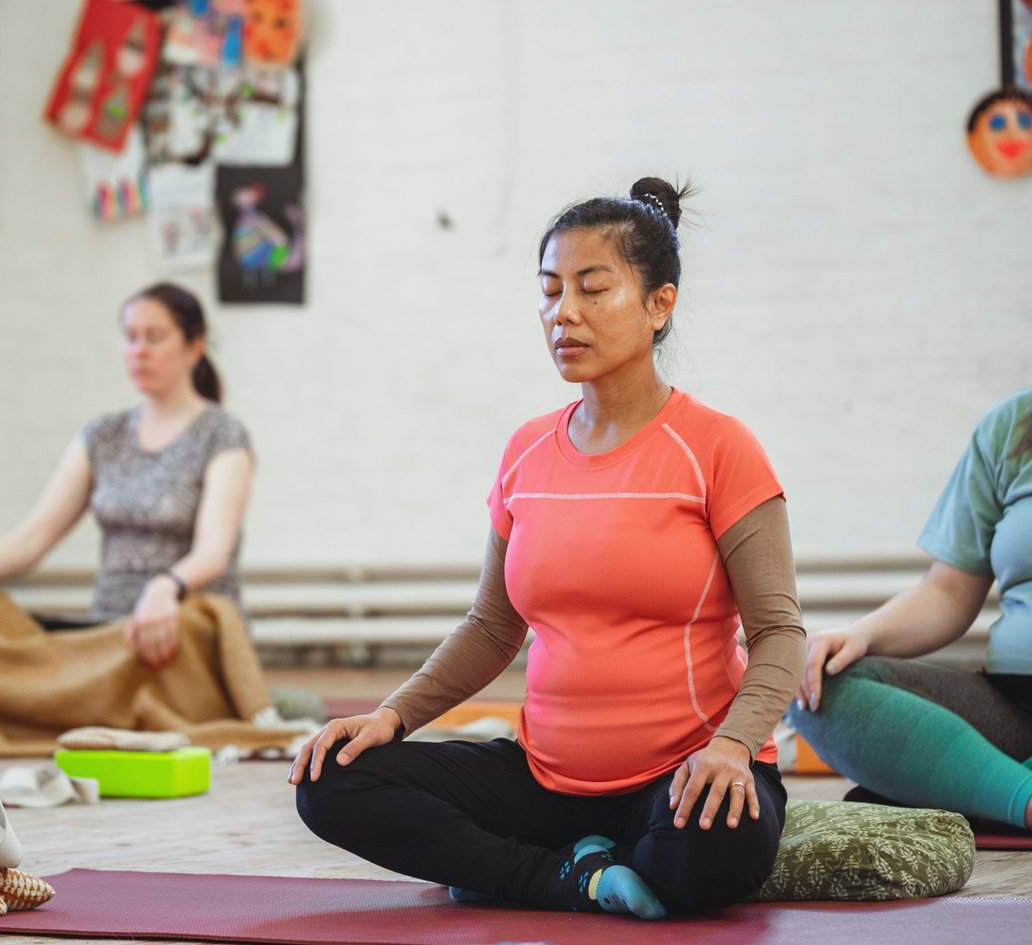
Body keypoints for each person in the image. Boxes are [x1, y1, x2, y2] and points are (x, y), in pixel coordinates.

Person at [289, 179, 806, 919]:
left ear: (659, 304)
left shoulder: (720, 448)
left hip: (683, 776)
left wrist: (733, 746)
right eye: (550, 290)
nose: (564, 312)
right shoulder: (526, 451)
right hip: (542, 784)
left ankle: (536, 867)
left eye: (593, 289)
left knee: (714, 846)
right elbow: (491, 627)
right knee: (330, 779)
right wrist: (390, 717)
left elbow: (779, 631)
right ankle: (563, 876)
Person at [0, 283, 254, 670]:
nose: (139, 350)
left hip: (189, 625)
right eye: (130, 337)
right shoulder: (103, 436)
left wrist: (164, 588)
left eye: (155, 337)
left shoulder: (222, 435)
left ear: (194, 348)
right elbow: (33, 538)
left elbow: (214, 550)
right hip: (111, 635)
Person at [791, 389, 1032, 830]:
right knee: (815, 685)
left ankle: (988, 792)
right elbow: (949, 593)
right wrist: (860, 633)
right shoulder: (1011, 425)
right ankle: (1018, 795)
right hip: (1015, 708)